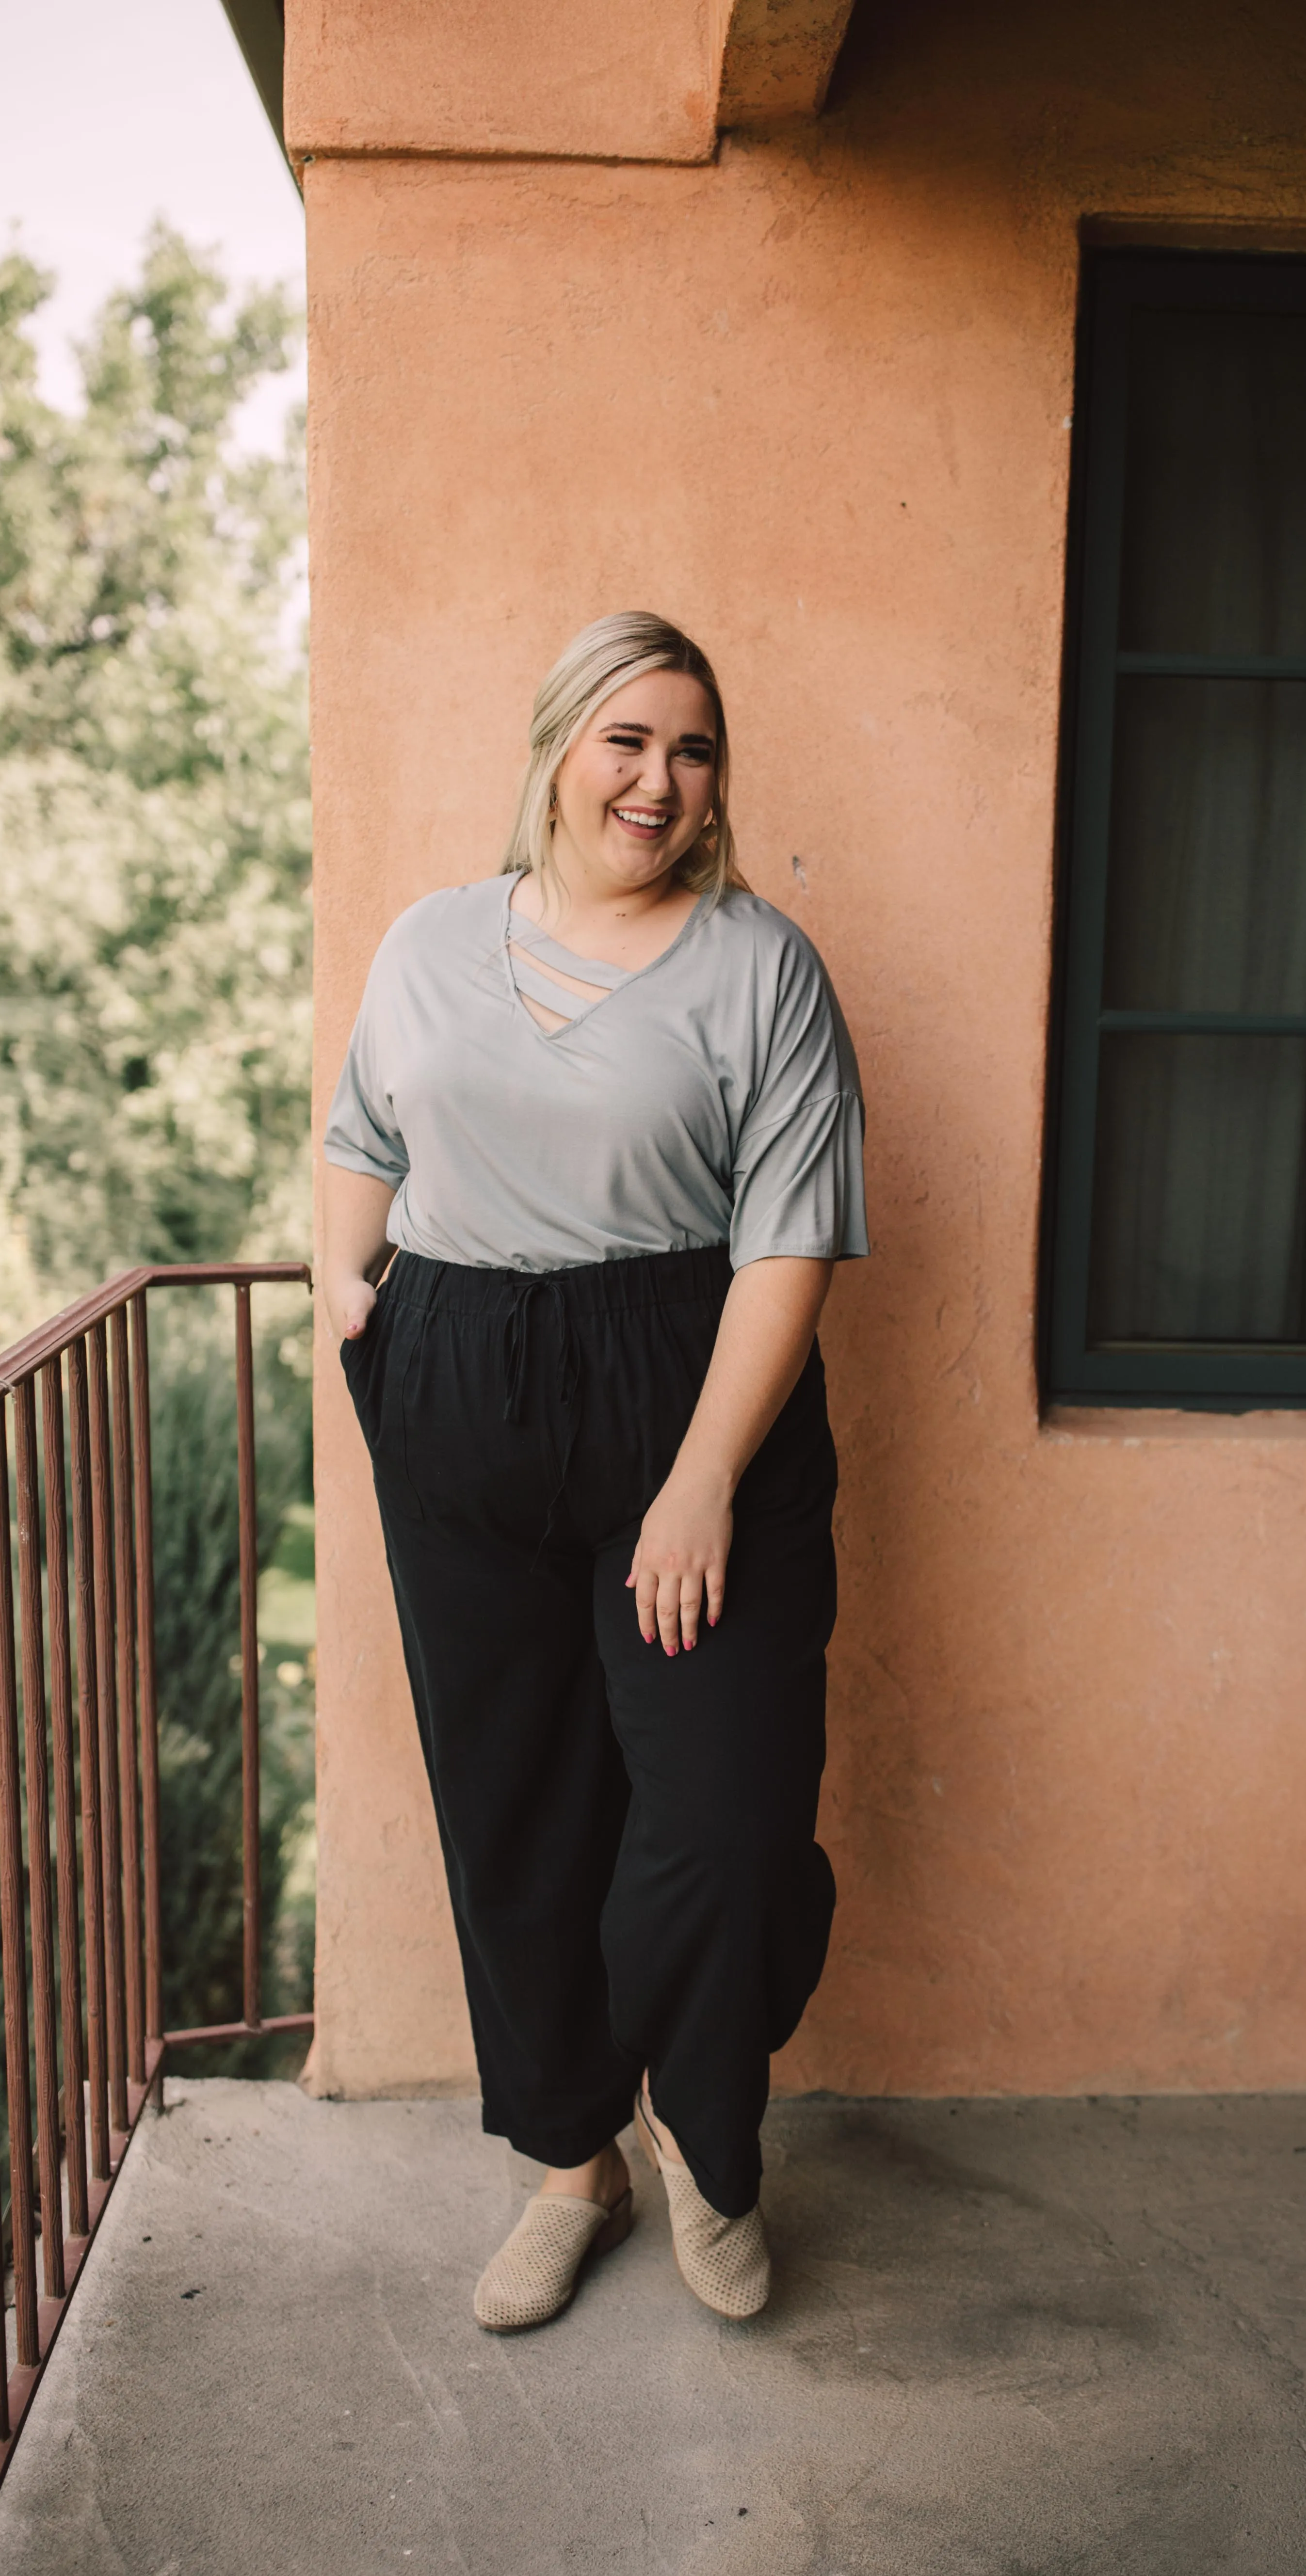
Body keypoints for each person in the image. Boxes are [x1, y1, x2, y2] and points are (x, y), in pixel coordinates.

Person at [321, 611, 868, 2331]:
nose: (660, 778)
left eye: (693, 747)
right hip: (462, 1404)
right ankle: (575, 2166)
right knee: (515, 1804)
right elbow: (360, 1136)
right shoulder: (428, 942)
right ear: (559, 746)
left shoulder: (760, 968)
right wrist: (358, 1310)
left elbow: (789, 1249)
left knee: (722, 1822)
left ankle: (711, 2145)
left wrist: (702, 1477)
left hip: (688, 1399)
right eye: (628, 738)